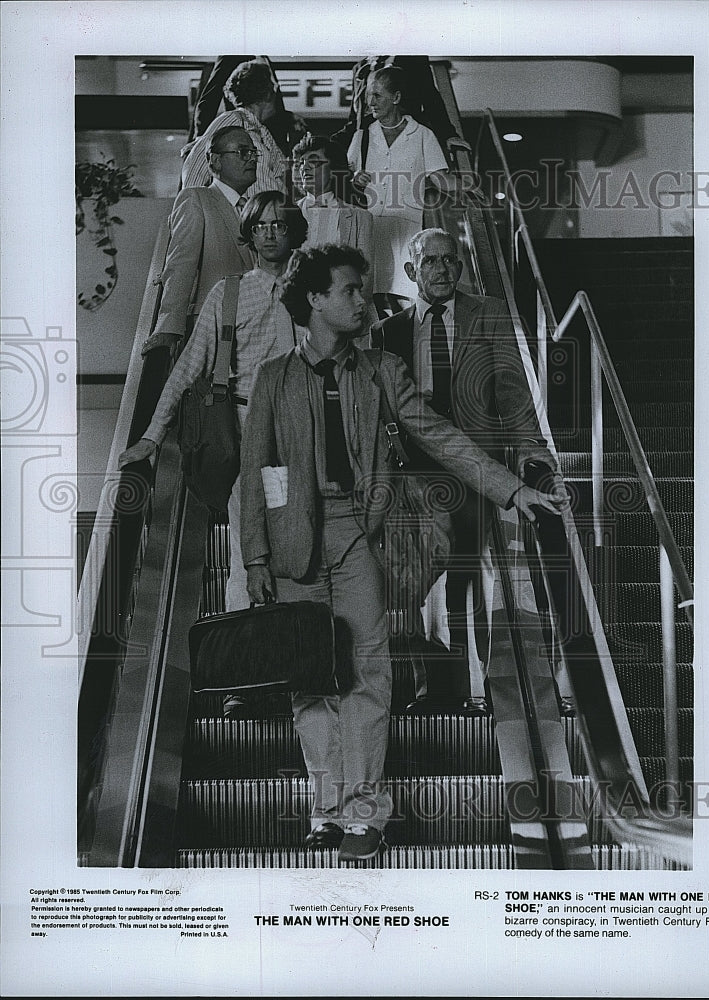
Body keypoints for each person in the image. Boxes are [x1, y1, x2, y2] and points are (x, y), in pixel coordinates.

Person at [239, 243, 567, 861]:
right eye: (350, 292)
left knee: (368, 673)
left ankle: (365, 812)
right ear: (315, 300)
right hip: (291, 545)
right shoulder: (273, 377)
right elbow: (255, 470)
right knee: (310, 682)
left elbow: (441, 437)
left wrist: (510, 488)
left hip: (359, 536)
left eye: (365, 291)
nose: (364, 302)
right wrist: (255, 556)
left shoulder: (382, 370)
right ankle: (325, 809)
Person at [371, 227, 562, 715]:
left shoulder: (489, 313)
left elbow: (515, 395)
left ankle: (489, 689)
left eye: (449, 260)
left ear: (460, 266)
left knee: (473, 573)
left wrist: (534, 455)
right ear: (412, 272)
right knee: (416, 578)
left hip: (478, 462)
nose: (441, 269)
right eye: (430, 262)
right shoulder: (387, 333)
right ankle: (433, 688)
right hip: (414, 472)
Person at [119, 191, 307, 669]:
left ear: (292, 232)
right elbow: (187, 368)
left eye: (278, 224)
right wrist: (151, 437)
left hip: (297, 435)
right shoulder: (228, 292)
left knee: (289, 545)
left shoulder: (311, 290)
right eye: (260, 224)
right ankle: (241, 673)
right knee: (250, 548)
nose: (269, 232)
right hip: (246, 432)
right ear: (249, 232)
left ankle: (287, 665)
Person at [141, 126, 258, 357]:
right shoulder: (196, 198)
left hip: (252, 330)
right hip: (211, 330)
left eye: (254, 152)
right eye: (243, 152)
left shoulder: (253, 208)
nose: (252, 159)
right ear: (215, 160)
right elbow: (180, 264)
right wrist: (169, 328)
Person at [346, 65, 458, 300]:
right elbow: (348, 180)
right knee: (369, 297)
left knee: (405, 300)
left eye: (377, 95)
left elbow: (439, 179)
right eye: (368, 96)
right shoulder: (362, 137)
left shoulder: (423, 135)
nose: (371, 102)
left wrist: (469, 185)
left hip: (408, 232)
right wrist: (356, 179)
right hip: (370, 230)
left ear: (396, 97)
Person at [181, 60, 302, 198]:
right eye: (274, 88)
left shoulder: (263, 132)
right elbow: (195, 168)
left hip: (271, 215)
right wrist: (195, 208)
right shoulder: (232, 120)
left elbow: (283, 175)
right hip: (247, 215)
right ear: (268, 93)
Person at [293, 133, 375, 325]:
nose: (304, 167)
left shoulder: (360, 218)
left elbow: (366, 279)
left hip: (347, 321)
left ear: (333, 169)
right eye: (301, 162)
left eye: (314, 162)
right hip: (297, 321)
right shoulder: (287, 214)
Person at [332, 55, 470, 158]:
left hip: (399, 136)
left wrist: (448, 135)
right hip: (367, 140)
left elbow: (431, 99)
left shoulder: (411, 60)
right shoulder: (360, 67)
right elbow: (356, 113)